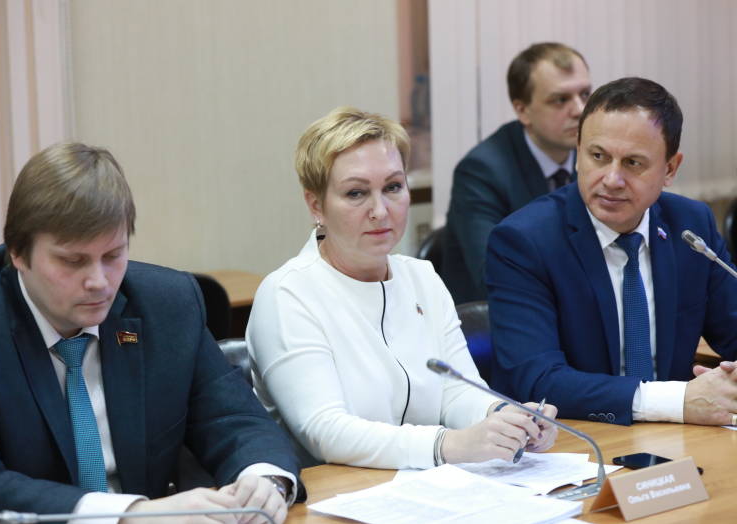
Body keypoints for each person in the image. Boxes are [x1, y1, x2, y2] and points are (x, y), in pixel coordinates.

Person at [0, 143, 301, 524]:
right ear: (17, 253)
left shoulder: (168, 305)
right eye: (72, 261)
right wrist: (131, 514)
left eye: (113, 256)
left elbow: (236, 420)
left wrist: (264, 479)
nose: (99, 282)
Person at [246, 107, 558, 470]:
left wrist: (507, 418)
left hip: (424, 486)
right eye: (356, 193)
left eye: (393, 187)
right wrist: (448, 444)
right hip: (332, 493)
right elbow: (324, 431)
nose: (380, 210)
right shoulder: (288, 294)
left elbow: (456, 391)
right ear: (316, 205)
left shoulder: (422, 277)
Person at [486, 77, 737, 427]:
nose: (612, 179)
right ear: (578, 151)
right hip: (579, 439)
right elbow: (538, 380)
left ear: (670, 169)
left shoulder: (690, 227)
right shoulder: (524, 242)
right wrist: (675, 400)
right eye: (598, 156)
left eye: (633, 163)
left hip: (679, 438)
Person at [442, 42, 592, 303]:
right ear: (523, 110)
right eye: (560, 100)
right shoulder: (482, 171)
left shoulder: (595, 157)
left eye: (585, 94)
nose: (580, 110)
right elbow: (493, 275)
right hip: (495, 317)